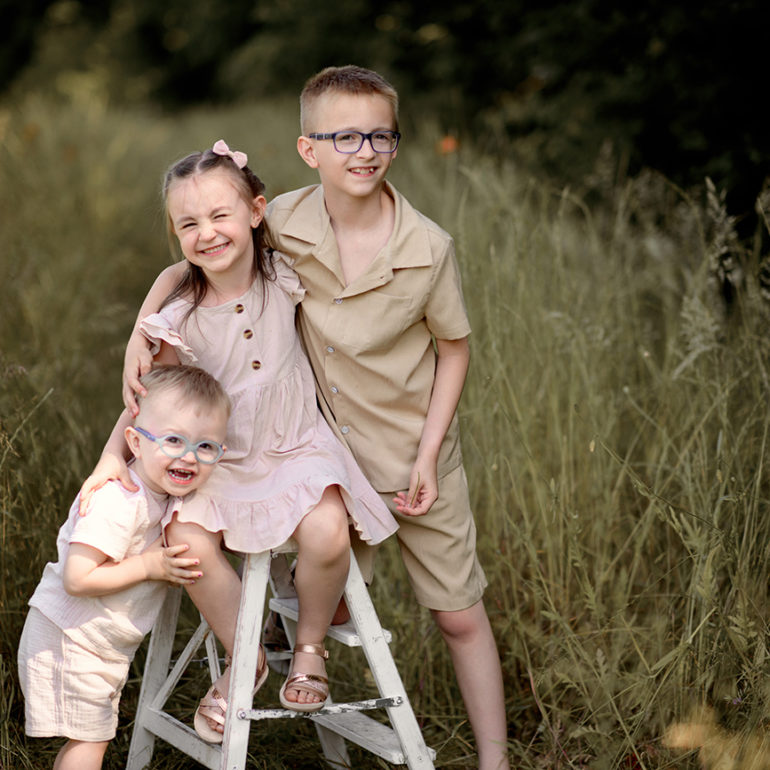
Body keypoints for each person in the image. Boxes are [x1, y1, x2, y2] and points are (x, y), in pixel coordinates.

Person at [121, 67, 510, 768]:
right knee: (324, 588)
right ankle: (278, 646)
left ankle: (495, 758)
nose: (365, 150)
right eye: (344, 137)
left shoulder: (427, 248)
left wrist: (428, 454)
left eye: (380, 136)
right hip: (320, 444)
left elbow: (455, 348)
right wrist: (141, 329)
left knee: (456, 613)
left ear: (396, 141)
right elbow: (202, 256)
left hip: (407, 452)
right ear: (309, 150)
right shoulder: (284, 219)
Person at [80, 140, 399, 741]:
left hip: (295, 444)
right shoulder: (180, 315)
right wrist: (108, 457)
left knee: (327, 526)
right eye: (188, 224)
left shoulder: (282, 270)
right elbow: (154, 400)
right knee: (185, 540)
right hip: (219, 459)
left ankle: (308, 649)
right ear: (175, 234)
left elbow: (328, 220)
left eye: (220, 215)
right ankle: (245, 656)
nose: (206, 233)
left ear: (255, 211)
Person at [18, 364, 230, 770]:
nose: (189, 456)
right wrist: (147, 566)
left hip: (97, 642)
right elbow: (77, 578)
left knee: (90, 738)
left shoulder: (161, 493)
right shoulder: (119, 499)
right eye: (173, 440)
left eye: (206, 447)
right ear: (134, 441)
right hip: (69, 637)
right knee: (90, 742)